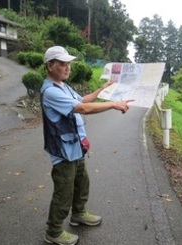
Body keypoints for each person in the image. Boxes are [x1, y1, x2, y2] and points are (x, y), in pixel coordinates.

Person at [40, 46, 133, 245]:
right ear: (49, 66)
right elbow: (82, 108)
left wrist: (102, 90)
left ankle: (79, 214)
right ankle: (54, 232)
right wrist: (113, 104)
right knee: (64, 192)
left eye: (68, 64)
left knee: (82, 184)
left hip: (76, 148)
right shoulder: (50, 92)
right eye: (62, 64)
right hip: (63, 151)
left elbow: (83, 99)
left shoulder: (63, 87)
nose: (67, 67)